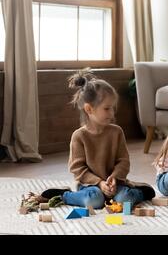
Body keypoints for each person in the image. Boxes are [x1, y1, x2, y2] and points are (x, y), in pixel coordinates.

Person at [40, 69, 155, 208]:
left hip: (115, 185)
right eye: (107, 108)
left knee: (124, 199)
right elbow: (77, 169)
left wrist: (114, 178)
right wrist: (99, 183)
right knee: (94, 200)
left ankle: (140, 192)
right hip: (90, 187)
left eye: (113, 108)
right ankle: (63, 195)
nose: (112, 113)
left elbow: (123, 161)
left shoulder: (116, 132)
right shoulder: (79, 136)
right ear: (89, 109)